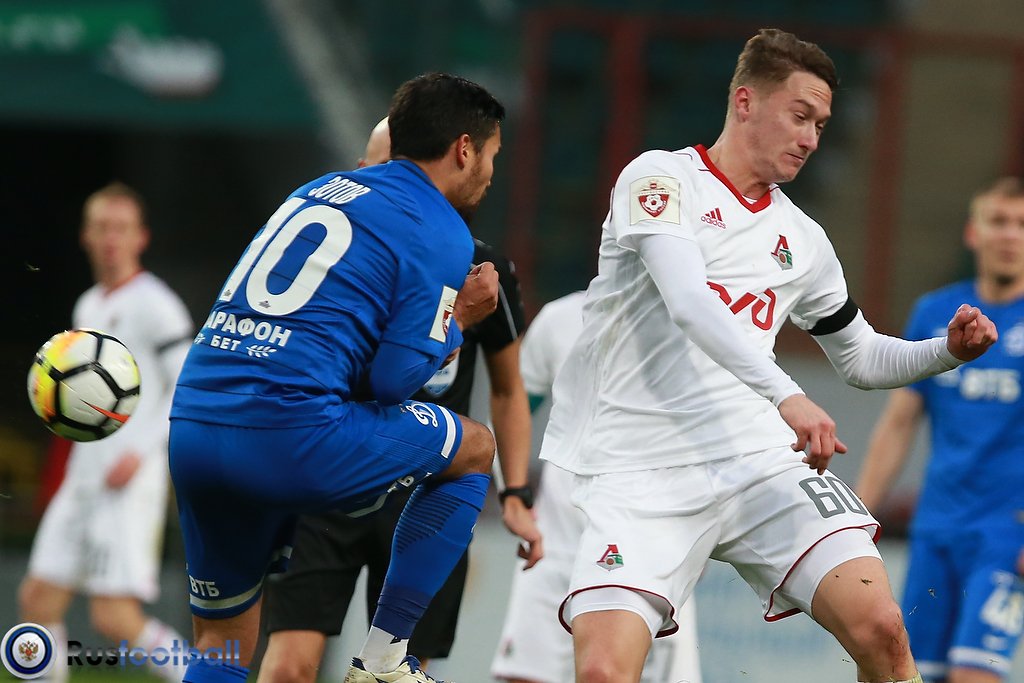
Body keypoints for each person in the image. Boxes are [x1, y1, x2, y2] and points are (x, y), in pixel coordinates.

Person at [538, 28, 999, 683]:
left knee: (883, 627)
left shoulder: (802, 240)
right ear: (745, 101)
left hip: (758, 461)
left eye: (822, 125)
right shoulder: (660, 178)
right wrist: (788, 395)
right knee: (603, 674)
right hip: (641, 471)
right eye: (800, 115)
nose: (811, 138)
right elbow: (689, 301)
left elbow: (862, 358)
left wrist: (946, 351)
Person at [168, 73, 537, 683]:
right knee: (474, 448)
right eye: (493, 155)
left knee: (223, 645)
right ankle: (387, 658)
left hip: (195, 426)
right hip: (293, 436)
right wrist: (461, 320)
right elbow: (394, 382)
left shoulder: (315, 191)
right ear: (464, 149)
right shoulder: (441, 228)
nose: (492, 174)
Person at [18, 182, 194, 683]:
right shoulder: (88, 305)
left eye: (121, 228)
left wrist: (142, 451)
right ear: (85, 236)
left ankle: (199, 677)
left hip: (128, 480)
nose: (111, 238)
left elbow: (186, 385)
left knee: (114, 619)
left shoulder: (157, 305)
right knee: (37, 600)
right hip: (84, 476)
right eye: (102, 227)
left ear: (141, 237)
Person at [857, 177, 1024, 683]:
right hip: (936, 528)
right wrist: (855, 523)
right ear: (973, 233)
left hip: (1005, 532)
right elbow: (898, 423)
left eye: (1021, 224)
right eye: (998, 221)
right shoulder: (936, 313)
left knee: (974, 674)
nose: (1010, 234)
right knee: (909, 673)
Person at [490, 290, 703, 683]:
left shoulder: (693, 317)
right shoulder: (559, 318)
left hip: (653, 550)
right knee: (525, 676)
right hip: (556, 543)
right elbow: (511, 402)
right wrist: (512, 493)